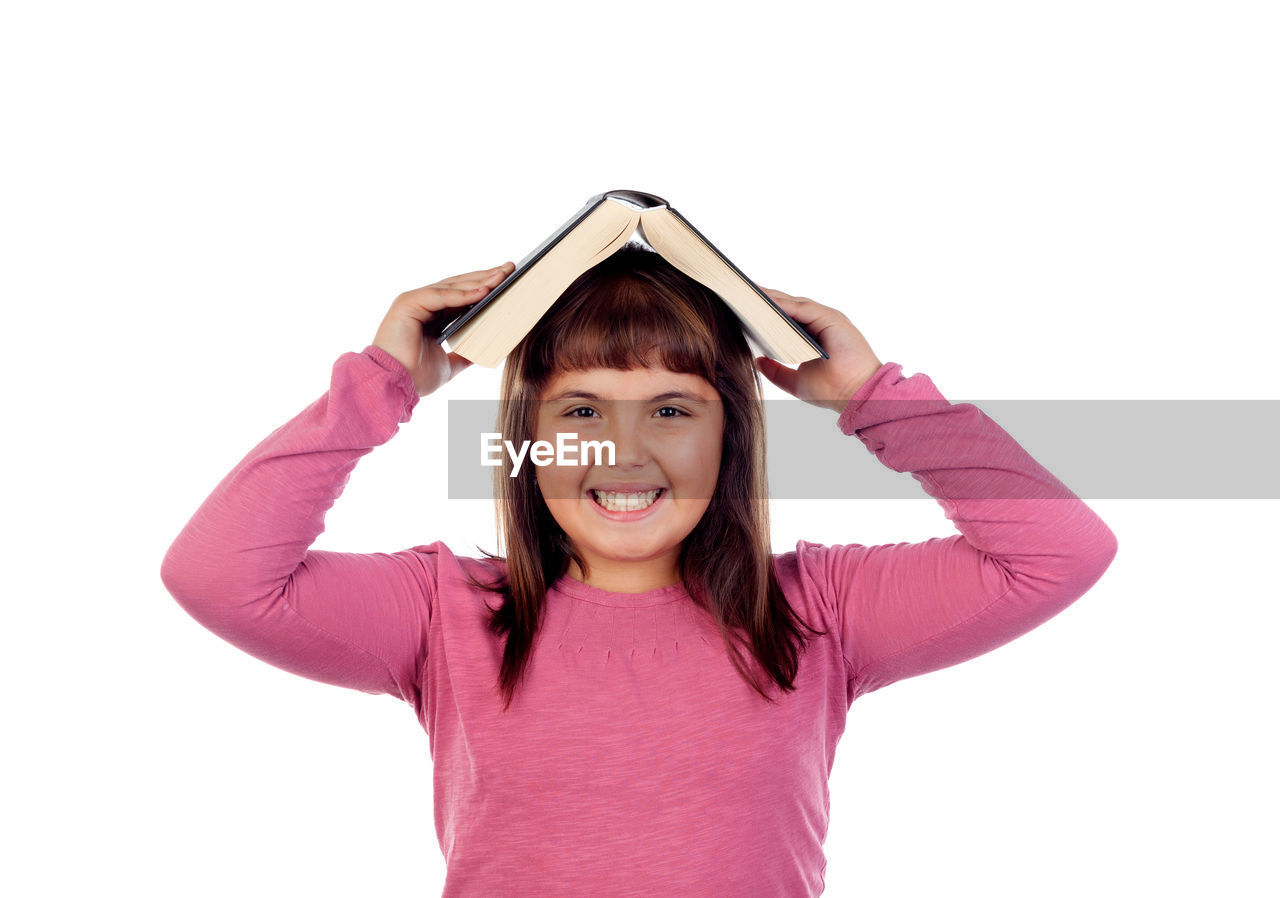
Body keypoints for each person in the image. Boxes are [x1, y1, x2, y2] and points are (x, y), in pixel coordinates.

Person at [160, 243, 1118, 897]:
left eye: (670, 411)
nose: (624, 453)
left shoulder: (819, 608)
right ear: (526, 445)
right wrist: (385, 382)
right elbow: (216, 575)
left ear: (728, 442)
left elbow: (1060, 550)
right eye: (580, 413)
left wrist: (872, 398)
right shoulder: (442, 610)